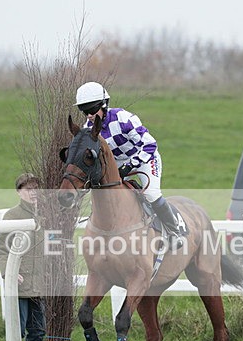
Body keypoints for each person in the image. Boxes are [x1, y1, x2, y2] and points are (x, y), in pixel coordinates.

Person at [75, 81, 184, 247]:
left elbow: (150, 144)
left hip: (144, 158)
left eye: (91, 109)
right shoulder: (88, 128)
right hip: (117, 163)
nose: (88, 115)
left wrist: (130, 165)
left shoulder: (123, 119)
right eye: (84, 111)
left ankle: (174, 231)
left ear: (104, 105)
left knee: (151, 194)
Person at [0, 173, 45, 341]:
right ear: (19, 192)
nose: (33, 192)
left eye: (36, 188)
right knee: (17, 329)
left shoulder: (46, 215)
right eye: (28, 189)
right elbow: (1, 249)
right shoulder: (12, 216)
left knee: (38, 331)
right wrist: (8, 272)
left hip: (40, 285)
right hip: (20, 282)